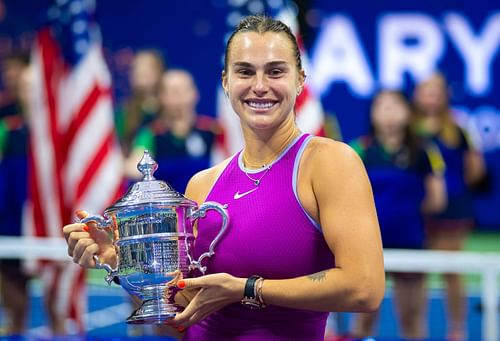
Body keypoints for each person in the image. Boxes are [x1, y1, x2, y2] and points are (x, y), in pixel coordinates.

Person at [63, 15, 385, 340]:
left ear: (300, 80)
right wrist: (123, 263)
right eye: (245, 71)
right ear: (226, 81)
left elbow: (364, 289)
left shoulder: (329, 162)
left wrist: (246, 289)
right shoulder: (202, 184)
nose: (260, 85)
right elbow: (183, 319)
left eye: (275, 71)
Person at [350, 90, 447, 340]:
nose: (389, 113)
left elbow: (437, 199)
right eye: (382, 107)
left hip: (411, 243)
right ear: (373, 114)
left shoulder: (424, 150)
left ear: (407, 112)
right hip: (367, 247)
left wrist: (404, 213)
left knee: (412, 318)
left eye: (395, 106)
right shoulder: (358, 150)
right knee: (363, 319)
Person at [412, 73, 486, 341]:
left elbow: (476, 169)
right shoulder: (408, 127)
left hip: (454, 210)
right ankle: (415, 331)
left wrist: (449, 188)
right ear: (418, 94)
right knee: (416, 273)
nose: (431, 96)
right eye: (425, 90)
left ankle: (457, 330)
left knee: (451, 272)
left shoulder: (460, 127)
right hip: (418, 211)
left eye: (436, 91)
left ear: (444, 95)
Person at [125, 69, 218, 194]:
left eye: (183, 91)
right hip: (167, 208)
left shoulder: (212, 130)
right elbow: (135, 167)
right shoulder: (150, 134)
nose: (178, 97)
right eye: (172, 92)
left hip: (205, 203)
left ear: (195, 94)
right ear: (161, 97)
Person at [0, 52, 31, 335]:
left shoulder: (63, 132)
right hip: (11, 215)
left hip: (47, 217)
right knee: (12, 280)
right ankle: (17, 329)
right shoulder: (8, 129)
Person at [115, 49, 165, 157]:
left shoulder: (169, 108)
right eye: (136, 68)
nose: (141, 71)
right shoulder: (124, 112)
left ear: (160, 71)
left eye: (148, 67)